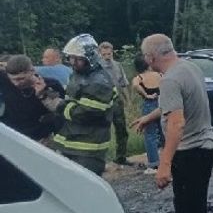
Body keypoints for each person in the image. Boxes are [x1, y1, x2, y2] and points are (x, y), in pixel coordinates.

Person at [132, 34, 213, 213]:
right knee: (184, 212)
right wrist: (150, 117)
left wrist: (164, 164)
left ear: (150, 57)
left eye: (145, 56)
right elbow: (175, 105)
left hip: (191, 152)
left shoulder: (169, 79)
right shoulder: (188, 67)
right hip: (203, 148)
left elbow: (176, 124)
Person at [53, 34, 116, 175]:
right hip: (71, 142)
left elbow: (87, 113)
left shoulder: (99, 82)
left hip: (88, 148)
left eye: (78, 59)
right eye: (71, 57)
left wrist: (59, 106)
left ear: (90, 58)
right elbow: (73, 98)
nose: (73, 62)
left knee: (85, 191)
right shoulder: (78, 74)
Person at [0, 54, 63, 140]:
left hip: (40, 138)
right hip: (11, 137)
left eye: (21, 79)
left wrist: (44, 94)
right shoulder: (4, 81)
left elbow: (60, 112)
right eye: (12, 79)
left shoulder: (52, 85)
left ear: (32, 71)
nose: (16, 83)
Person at [99, 41, 131, 165]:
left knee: (121, 129)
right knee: (102, 131)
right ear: (100, 54)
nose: (107, 56)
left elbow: (123, 84)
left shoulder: (117, 65)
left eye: (109, 54)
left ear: (112, 53)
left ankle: (121, 157)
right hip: (103, 102)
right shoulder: (97, 67)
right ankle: (101, 160)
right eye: (104, 54)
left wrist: (128, 100)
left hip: (117, 100)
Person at [132, 53, 164, 175]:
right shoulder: (159, 75)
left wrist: (146, 95)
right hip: (161, 103)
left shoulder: (140, 77)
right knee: (163, 132)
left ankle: (154, 164)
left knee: (150, 135)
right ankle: (168, 160)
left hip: (148, 105)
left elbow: (135, 85)